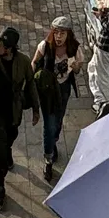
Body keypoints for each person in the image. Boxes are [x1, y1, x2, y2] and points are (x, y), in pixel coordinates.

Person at [0, 26, 37, 209]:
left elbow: (31, 84)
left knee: (11, 137)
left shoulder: (24, 62)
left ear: (9, 48)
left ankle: (8, 151)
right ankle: (0, 185)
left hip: (13, 112)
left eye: (0, 43)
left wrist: (36, 109)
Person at [31, 17, 82, 183]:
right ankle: (48, 158)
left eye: (63, 33)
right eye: (56, 32)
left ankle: (53, 143)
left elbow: (79, 67)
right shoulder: (45, 46)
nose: (59, 36)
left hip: (64, 88)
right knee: (49, 124)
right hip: (48, 91)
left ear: (68, 34)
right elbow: (34, 62)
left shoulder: (74, 48)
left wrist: (75, 67)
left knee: (58, 121)